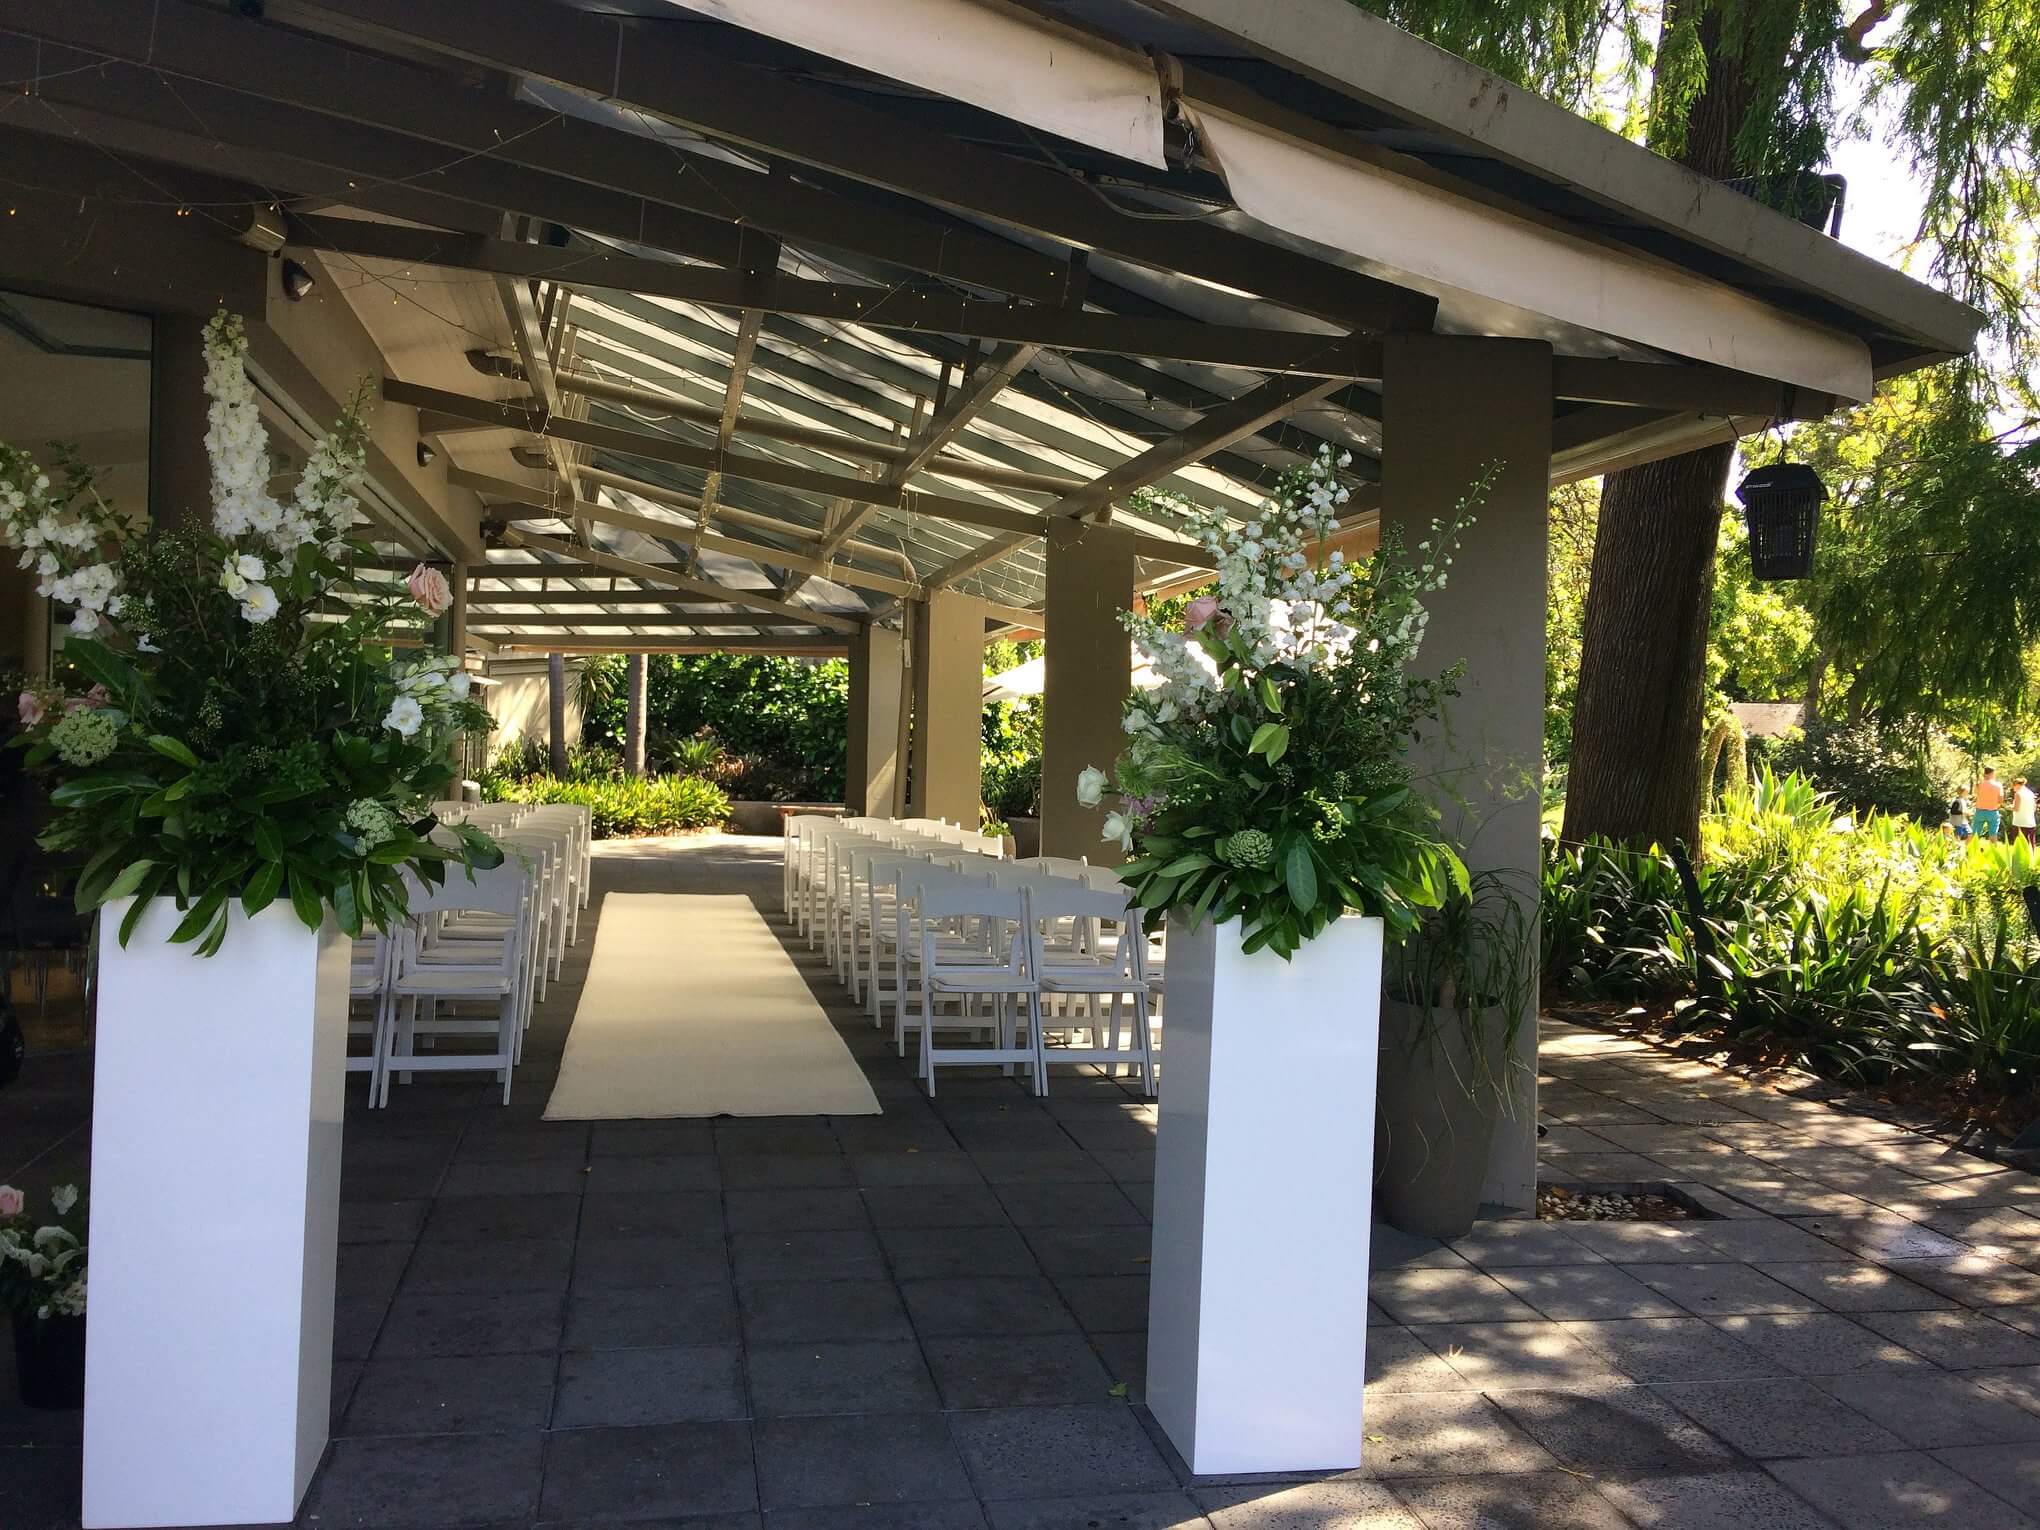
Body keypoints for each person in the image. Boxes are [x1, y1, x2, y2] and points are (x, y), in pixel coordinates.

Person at [1974, 767, 2005, 839]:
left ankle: (1973, 849)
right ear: (1992, 774)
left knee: (1975, 833)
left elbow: (1976, 795)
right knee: (1993, 834)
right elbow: (2000, 800)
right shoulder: (1998, 785)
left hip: (1980, 811)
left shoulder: (1978, 784)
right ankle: (1993, 849)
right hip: (1992, 811)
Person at [2014, 777, 2036, 845]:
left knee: (2020, 845)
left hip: (2020, 822)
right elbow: (2034, 808)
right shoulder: (2031, 793)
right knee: (2030, 843)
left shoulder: (2018, 794)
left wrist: (2008, 807)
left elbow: (2016, 808)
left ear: (2016, 784)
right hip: (2030, 822)